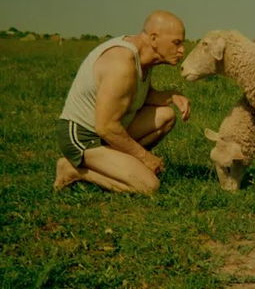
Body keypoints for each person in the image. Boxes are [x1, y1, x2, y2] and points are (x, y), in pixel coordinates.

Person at [54, 10, 190, 193]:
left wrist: (172, 96)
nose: (182, 50)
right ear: (154, 38)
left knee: (166, 115)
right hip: (84, 137)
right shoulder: (121, 65)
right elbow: (106, 127)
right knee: (148, 186)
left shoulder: (144, 58)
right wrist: (145, 157)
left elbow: (138, 95)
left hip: (105, 133)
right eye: (177, 43)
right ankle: (74, 170)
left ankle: (119, 165)